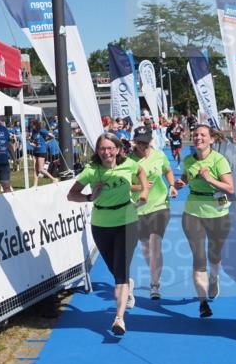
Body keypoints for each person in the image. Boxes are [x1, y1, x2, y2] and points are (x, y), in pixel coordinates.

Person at [67, 133, 149, 335]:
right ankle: (127, 286)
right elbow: (71, 195)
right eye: (102, 148)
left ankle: (119, 318)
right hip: (101, 224)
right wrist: (89, 196)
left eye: (110, 148)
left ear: (118, 149)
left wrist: (145, 191)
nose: (107, 152)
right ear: (97, 151)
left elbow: (141, 172)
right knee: (116, 269)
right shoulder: (91, 171)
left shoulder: (128, 164)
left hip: (127, 221)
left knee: (119, 273)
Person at [175, 124, 235, 318]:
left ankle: (214, 277)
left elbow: (230, 189)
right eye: (195, 135)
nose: (198, 137)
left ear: (211, 139)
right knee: (199, 257)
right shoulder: (188, 160)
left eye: (202, 135)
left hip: (217, 213)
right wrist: (181, 183)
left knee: (214, 254)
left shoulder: (219, 160)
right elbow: (186, 176)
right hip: (193, 212)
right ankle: (202, 303)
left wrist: (209, 179)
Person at [129, 125, 177, 300]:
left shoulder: (159, 155)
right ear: (134, 141)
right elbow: (124, 184)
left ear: (150, 140)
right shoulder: (128, 161)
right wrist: (139, 187)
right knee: (146, 247)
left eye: (146, 142)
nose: (143, 145)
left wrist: (171, 185)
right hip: (138, 208)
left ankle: (154, 284)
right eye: (139, 142)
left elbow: (168, 170)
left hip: (159, 205)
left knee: (155, 243)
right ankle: (154, 273)